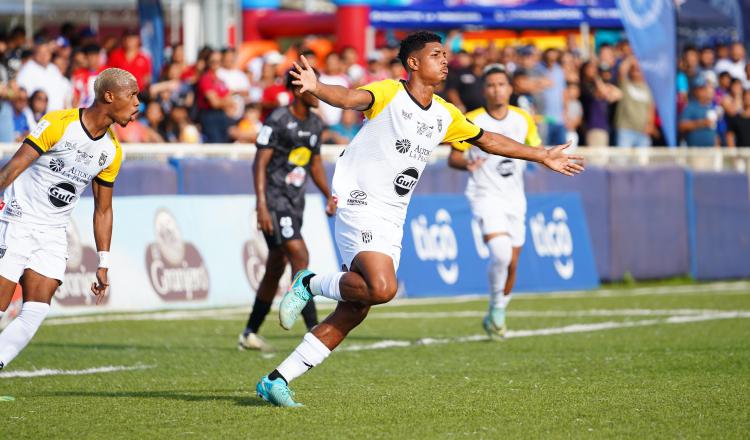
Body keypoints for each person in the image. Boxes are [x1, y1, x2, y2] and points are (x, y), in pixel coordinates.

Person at [254, 31, 584, 407]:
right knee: (382, 288)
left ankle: (277, 379)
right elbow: (348, 97)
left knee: (356, 308)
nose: (445, 61)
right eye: (436, 55)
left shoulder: (445, 113)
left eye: (445, 55)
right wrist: (317, 87)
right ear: (413, 63)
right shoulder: (388, 93)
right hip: (360, 201)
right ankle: (310, 282)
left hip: (393, 215)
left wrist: (541, 154)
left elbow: (487, 139)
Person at [0, 68, 137, 371]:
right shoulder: (58, 124)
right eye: (132, 95)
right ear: (109, 96)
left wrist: (103, 262)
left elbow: (103, 209)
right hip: (17, 219)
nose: (138, 103)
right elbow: (12, 169)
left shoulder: (111, 152)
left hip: (52, 233)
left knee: (36, 309)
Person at [239, 70, 335, 351]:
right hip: (275, 200)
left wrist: (329, 194)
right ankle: (314, 330)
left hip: (295, 202)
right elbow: (259, 163)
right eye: (313, 87)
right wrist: (261, 204)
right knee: (300, 254)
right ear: (298, 90)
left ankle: (249, 332)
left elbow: (314, 164)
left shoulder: (316, 124)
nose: (318, 92)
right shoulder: (279, 119)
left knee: (275, 266)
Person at [447, 64, 541, 339]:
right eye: (490, 85)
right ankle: (497, 309)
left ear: (510, 89)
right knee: (500, 252)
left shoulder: (523, 118)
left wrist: (552, 158)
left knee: (512, 262)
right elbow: (453, 157)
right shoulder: (472, 119)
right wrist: (467, 165)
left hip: (515, 199)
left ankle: (496, 310)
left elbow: (535, 150)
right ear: (484, 90)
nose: (496, 89)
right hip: (484, 195)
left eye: (501, 84)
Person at [679, 77, 719, 147]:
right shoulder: (690, 107)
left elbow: (714, 132)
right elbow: (682, 126)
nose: (703, 92)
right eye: (700, 89)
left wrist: (717, 146)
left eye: (704, 89)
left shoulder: (711, 107)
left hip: (711, 152)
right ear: (695, 91)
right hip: (695, 152)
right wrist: (703, 123)